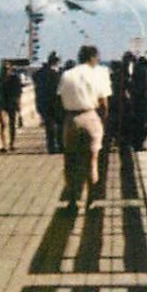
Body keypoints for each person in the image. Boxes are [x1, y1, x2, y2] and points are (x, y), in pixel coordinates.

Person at [57, 45, 110, 210]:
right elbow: (104, 103)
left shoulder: (67, 74)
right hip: (90, 116)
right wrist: (102, 120)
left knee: (70, 161)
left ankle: (72, 201)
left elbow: (59, 98)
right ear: (93, 58)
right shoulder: (97, 74)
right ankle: (91, 201)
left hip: (71, 118)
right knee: (92, 161)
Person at [33, 53, 63, 153]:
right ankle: (60, 145)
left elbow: (37, 85)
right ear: (56, 62)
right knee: (59, 125)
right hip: (57, 102)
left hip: (43, 102)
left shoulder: (39, 73)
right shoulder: (58, 74)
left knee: (49, 126)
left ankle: (51, 146)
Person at [0, 65, 23, 151]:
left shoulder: (15, 79)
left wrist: (19, 105)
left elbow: (18, 93)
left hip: (12, 103)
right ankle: (4, 145)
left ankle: (11, 143)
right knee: (3, 124)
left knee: (12, 124)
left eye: (7, 69)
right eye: (4, 69)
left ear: (10, 70)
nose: (6, 71)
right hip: (2, 104)